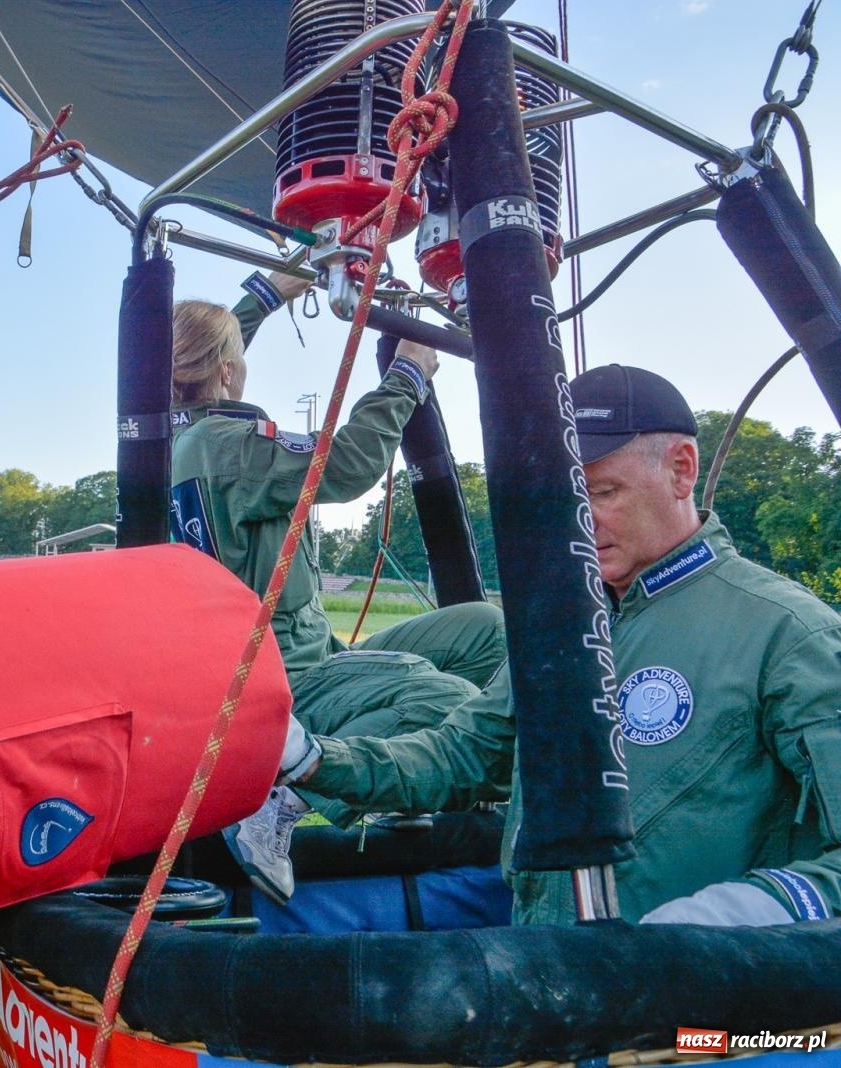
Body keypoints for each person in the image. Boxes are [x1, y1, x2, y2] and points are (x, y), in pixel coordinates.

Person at [284, 365, 841, 925]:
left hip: (693, 992)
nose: (577, 517)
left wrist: (757, 907)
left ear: (681, 470)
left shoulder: (787, 634)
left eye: (603, 491)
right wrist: (314, 759)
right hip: (544, 962)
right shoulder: (559, 622)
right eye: (564, 492)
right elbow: (463, 754)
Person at [170, 271, 504, 902]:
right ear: (225, 374)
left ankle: (439, 789)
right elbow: (349, 465)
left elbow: (206, 350)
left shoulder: (173, 434)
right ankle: (284, 792)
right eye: (236, 359)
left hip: (301, 657)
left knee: (482, 627)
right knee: (449, 700)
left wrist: (276, 287)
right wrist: (408, 373)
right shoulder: (233, 446)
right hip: (280, 681)